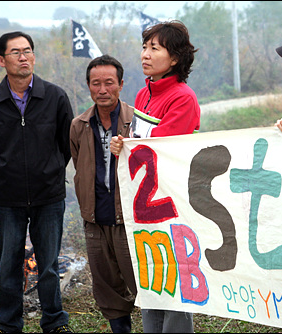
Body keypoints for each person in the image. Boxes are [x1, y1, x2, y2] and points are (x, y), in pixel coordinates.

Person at [0, 31, 73, 333]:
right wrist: (8, 173)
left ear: (34, 56)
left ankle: (54, 322)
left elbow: (66, 145)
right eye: (15, 52)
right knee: (9, 264)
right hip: (8, 199)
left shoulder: (55, 97)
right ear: (1, 60)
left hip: (49, 196)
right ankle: (7, 324)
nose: (23, 57)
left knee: (47, 265)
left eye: (28, 50)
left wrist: (51, 171)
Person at [110, 20, 199, 333]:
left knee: (174, 289)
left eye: (154, 48)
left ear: (174, 58)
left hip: (172, 207)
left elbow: (161, 151)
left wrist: (131, 148)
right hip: (145, 209)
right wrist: (123, 144)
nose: (145, 54)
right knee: (152, 283)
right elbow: (140, 146)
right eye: (144, 47)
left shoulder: (182, 97)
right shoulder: (144, 94)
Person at [69, 55, 137, 333]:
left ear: (121, 84)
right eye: (96, 83)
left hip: (131, 219)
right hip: (96, 220)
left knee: (142, 280)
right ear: (88, 86)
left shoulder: (136, 121)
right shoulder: (79, 125)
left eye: (109, 83)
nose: (102, 89)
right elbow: (80, 166)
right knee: (107, 287)